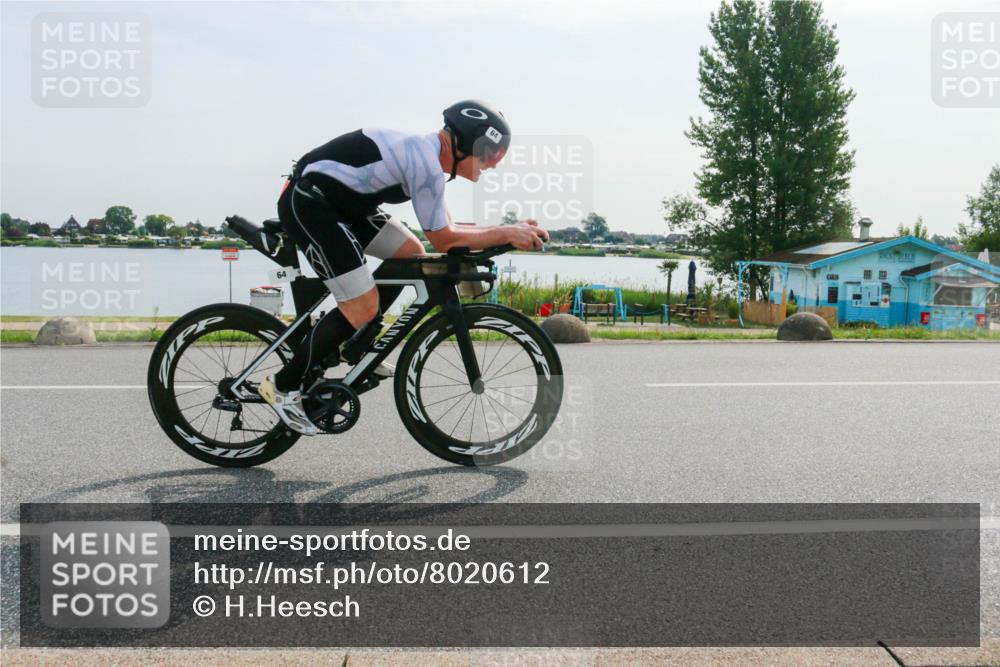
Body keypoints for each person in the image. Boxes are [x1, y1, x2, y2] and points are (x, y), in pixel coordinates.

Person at [258, 100, 550, 435]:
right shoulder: (424, 163)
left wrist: (507, 231)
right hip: (311, 203)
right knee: (361, 304)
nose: (492, 165)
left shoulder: (428, 159)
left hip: (344, 205)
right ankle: (282, 385)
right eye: (489, 155)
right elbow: (445, 240)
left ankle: (352, 341)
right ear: (466, 144)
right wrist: (507, 232)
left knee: (409, 253)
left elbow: (448, 230)